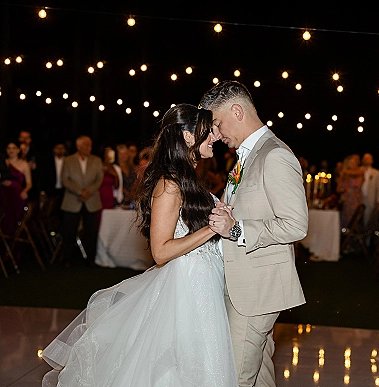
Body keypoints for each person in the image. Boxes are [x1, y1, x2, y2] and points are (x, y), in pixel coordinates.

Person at [41, 104, 237, 386]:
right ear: (187, 136)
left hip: (204, 281)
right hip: (187, 285)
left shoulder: (187, 178)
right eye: (209, 130)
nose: (216, 136)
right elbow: (160, 251)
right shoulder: (169, 184)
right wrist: (211, 229)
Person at [200, 80, 308, 387]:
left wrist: (236, 229)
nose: (216, 135)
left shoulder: (274, 155)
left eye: (217, 123)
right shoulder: (248, 155)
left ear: (237, 111)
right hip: (242, 283)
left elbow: (296, 224)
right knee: (259, 376)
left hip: (256, 291)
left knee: (232, 379)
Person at [59, 135, 103, 267]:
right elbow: (65, 179)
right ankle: (67, 258)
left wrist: (88, 191)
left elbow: (99, 179)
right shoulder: (68, 160)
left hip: (92, 200)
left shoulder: (96, 160)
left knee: (91, 231)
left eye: (90, 145)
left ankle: (91, 259)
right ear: (78, 146)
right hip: (72, 200)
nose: (89, 148)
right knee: (69, 231)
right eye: (86, 145)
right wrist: (79, 191)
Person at [0, 141, 32, 236]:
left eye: (13, 148)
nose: (11, 150)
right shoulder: (3, 162)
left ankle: (12, 243)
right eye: (9, 148)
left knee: (13, 220)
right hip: (3, 194)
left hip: (17, 196)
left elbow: (29, 183)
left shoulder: (24, 164)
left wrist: (25, 191)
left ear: (18, 150)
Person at [337, 154, 364, 228]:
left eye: (354, 162)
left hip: (355, 201)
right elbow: (338, 189)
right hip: (346, 202)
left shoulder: (359, 172)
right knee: (344, 221)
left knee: (354, 222)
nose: (353, 164)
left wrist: (342, 171)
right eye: (351, 163)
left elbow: (356, 176)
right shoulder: (344, 175)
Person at [361, 153, 379, 227]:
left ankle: (367, 237)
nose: (366, 160)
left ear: (372, 161)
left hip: (370, 199)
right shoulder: (358, 170)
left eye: (368, 158)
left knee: (369, 218)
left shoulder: (376, 173)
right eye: (365, 158)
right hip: (359, 198)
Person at [98, 145, 122, 211]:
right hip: (99, 196)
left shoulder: (115, 168)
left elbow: (116, 187)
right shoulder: (98, 166)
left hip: (109, 196)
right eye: (108, 152)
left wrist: (115, 175)